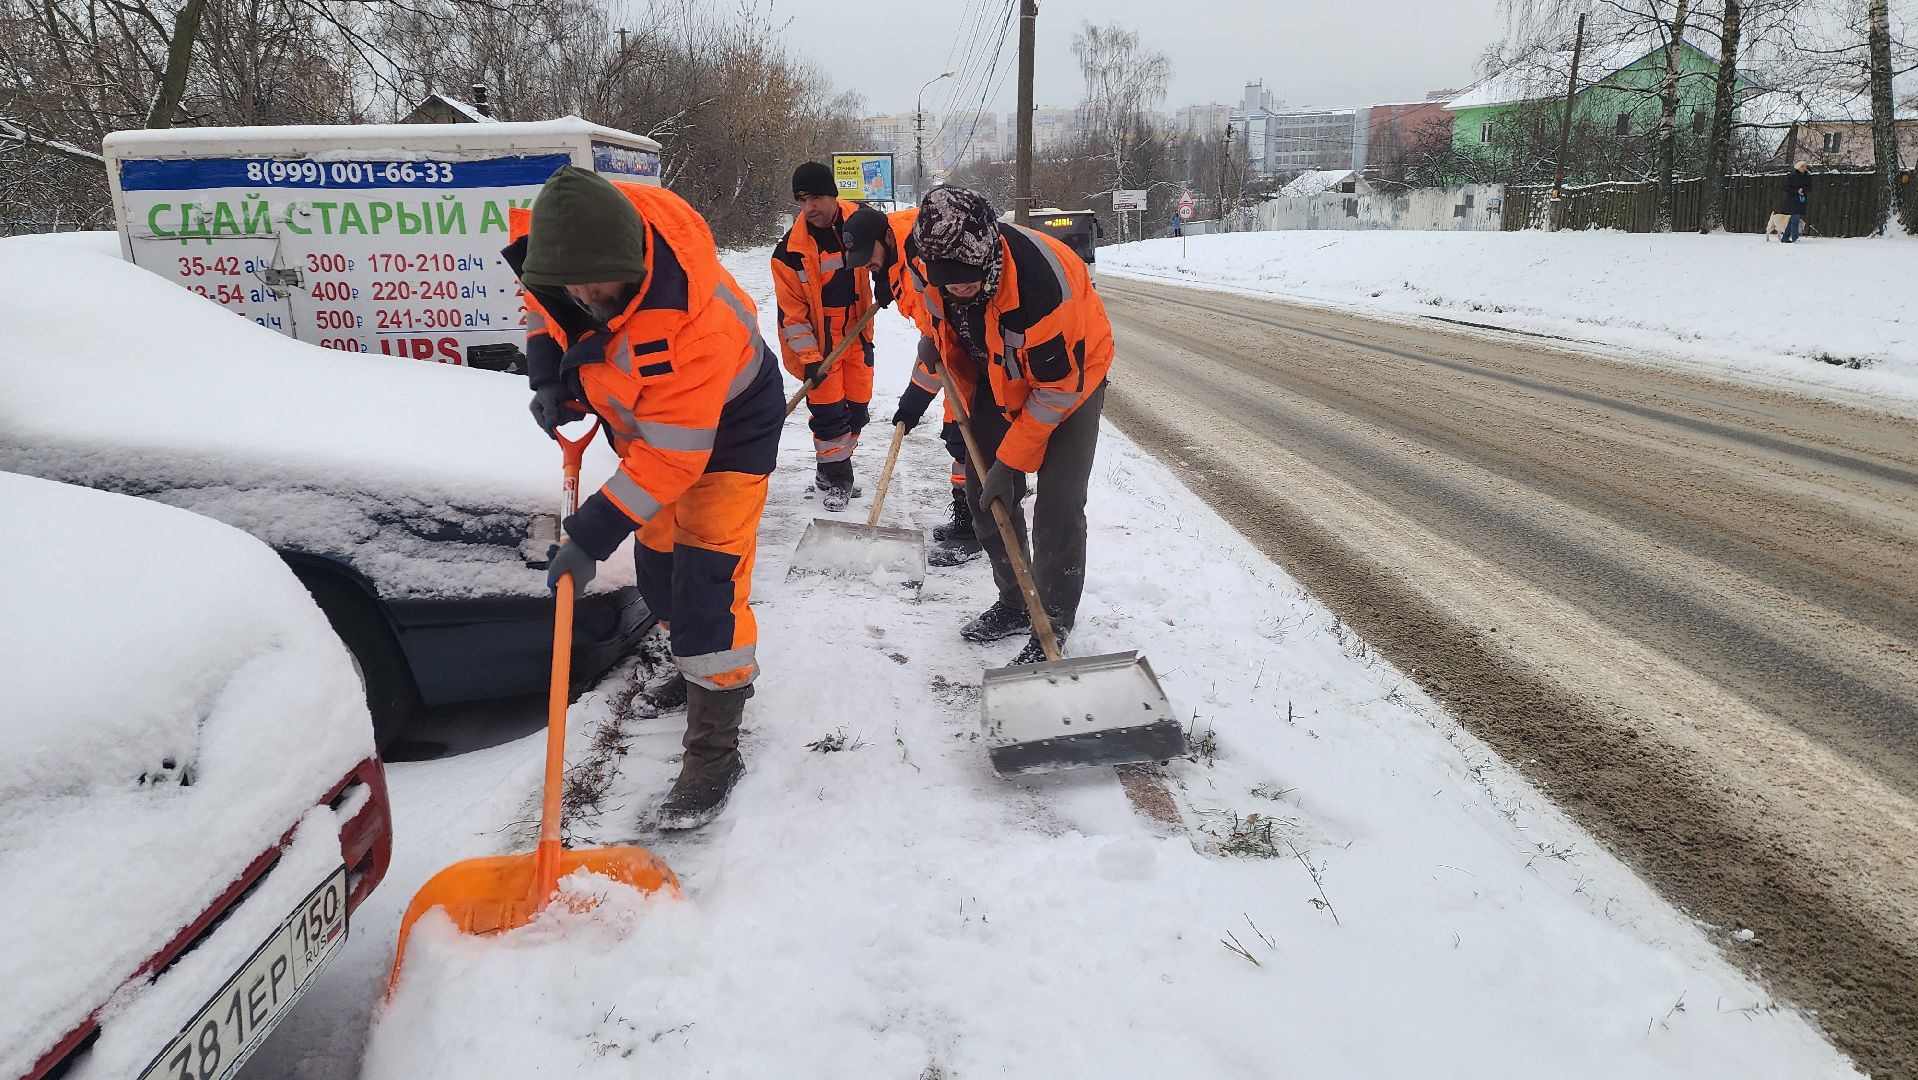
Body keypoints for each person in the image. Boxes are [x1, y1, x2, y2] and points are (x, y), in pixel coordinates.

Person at [506, 166, 784, 830]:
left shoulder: (694, 325)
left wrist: (587, 538)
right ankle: (689, 669)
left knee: (707, 585)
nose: (587, 296)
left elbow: (672, 461)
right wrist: (550, 378)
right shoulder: (564, 250)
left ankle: (714, 753)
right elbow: (545, 309)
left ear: (632, 262)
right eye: (575, 285)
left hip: (729, 435)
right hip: (652, 432)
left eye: (601, 285)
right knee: (658, 567)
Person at [908, 186, 1114, 664]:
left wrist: (1011, 461)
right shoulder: (927, 259)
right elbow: (939, 315)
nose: (956, 289)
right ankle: (1017, 602)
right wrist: (934, 339)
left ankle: (1052, 623)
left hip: (1070, 382)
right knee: (986, 498)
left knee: (1058, 507)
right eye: (946, 281)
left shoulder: (1044, 288)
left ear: (987, 255)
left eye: (966, 280)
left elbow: (1054, 392)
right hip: (995, 374)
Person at [840, 204, 983, 566]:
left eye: (868, 257)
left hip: (976, 359)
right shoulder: (899, 257)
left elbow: (945, 341)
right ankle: (968, 520)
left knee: (969, 441)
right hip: (957, 357)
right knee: (960, 441)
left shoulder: (922, 260)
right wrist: (913, 401)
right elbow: (935, 341)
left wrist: (917, 398)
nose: (866, 265)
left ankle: (975, 530)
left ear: (886, 238)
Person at [772, 162, 878, 511]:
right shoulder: (789, 252)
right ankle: (838, 477)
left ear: (832, 195)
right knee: (829, 415)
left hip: (858, 333)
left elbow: (890, 250)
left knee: (857, 412)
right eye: (802, 201)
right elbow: (793, 316)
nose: (809, 207)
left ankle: (828, 468)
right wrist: (809, 359)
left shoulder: (859, 221)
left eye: (815, 198)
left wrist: (888, 282)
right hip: (820, 344)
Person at [1780, 161, 1813, 243]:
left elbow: (1809, 187)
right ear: (1798, 167)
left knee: (1792, 220)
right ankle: (1795, 237)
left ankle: (1785, 237)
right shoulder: (1791, 176)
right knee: (1795, 218)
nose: (1804, 168)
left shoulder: (1807, 176)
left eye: (1805, 166)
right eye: (1802, 166)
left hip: (1801, 200)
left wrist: (1803, 190)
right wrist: (1796, 191)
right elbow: (1786, 188)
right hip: (1791, 201)